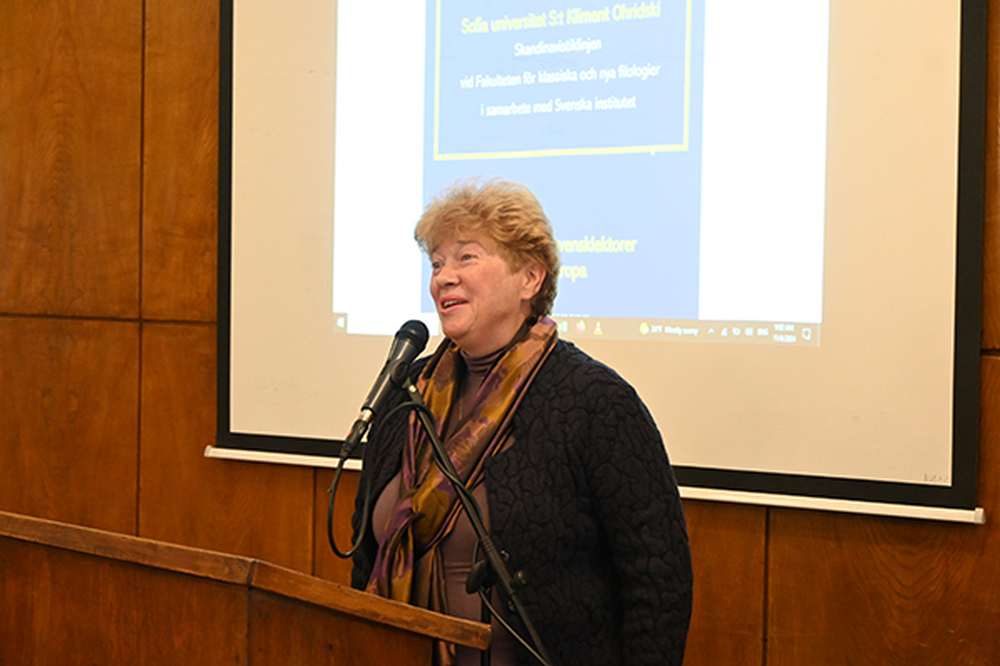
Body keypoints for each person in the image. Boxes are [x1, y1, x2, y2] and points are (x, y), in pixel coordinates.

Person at [351, 178, 693, 666]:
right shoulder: (408, 390)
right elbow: (366, 554)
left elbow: (658, 582)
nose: (443, 277)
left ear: (530, 278)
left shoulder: (595, 402)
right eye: (437, 262)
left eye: (466, 257)